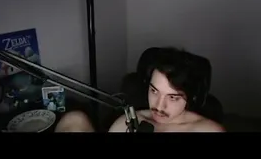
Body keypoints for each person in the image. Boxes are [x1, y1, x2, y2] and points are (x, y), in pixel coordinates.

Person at [55, 49, 225, 133]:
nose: (159, 106)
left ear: (191, 98)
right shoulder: (128, 121)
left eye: (173, 97)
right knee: (75, 118)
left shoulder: (207, 130)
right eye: (154, 91)